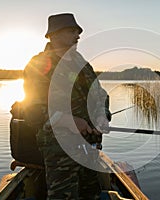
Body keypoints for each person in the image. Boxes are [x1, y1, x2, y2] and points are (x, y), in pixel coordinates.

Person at [22, 13, 111, 199]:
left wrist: (102, 115)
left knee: (91, 194)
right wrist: (68, 121)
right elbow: (31, 109)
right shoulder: (37, 64)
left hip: (88, 145)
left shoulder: (81, 63)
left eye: (78, 31)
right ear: (54, 35)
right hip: (58, 148)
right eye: (72, 30)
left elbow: (100, 95)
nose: (78, 35)